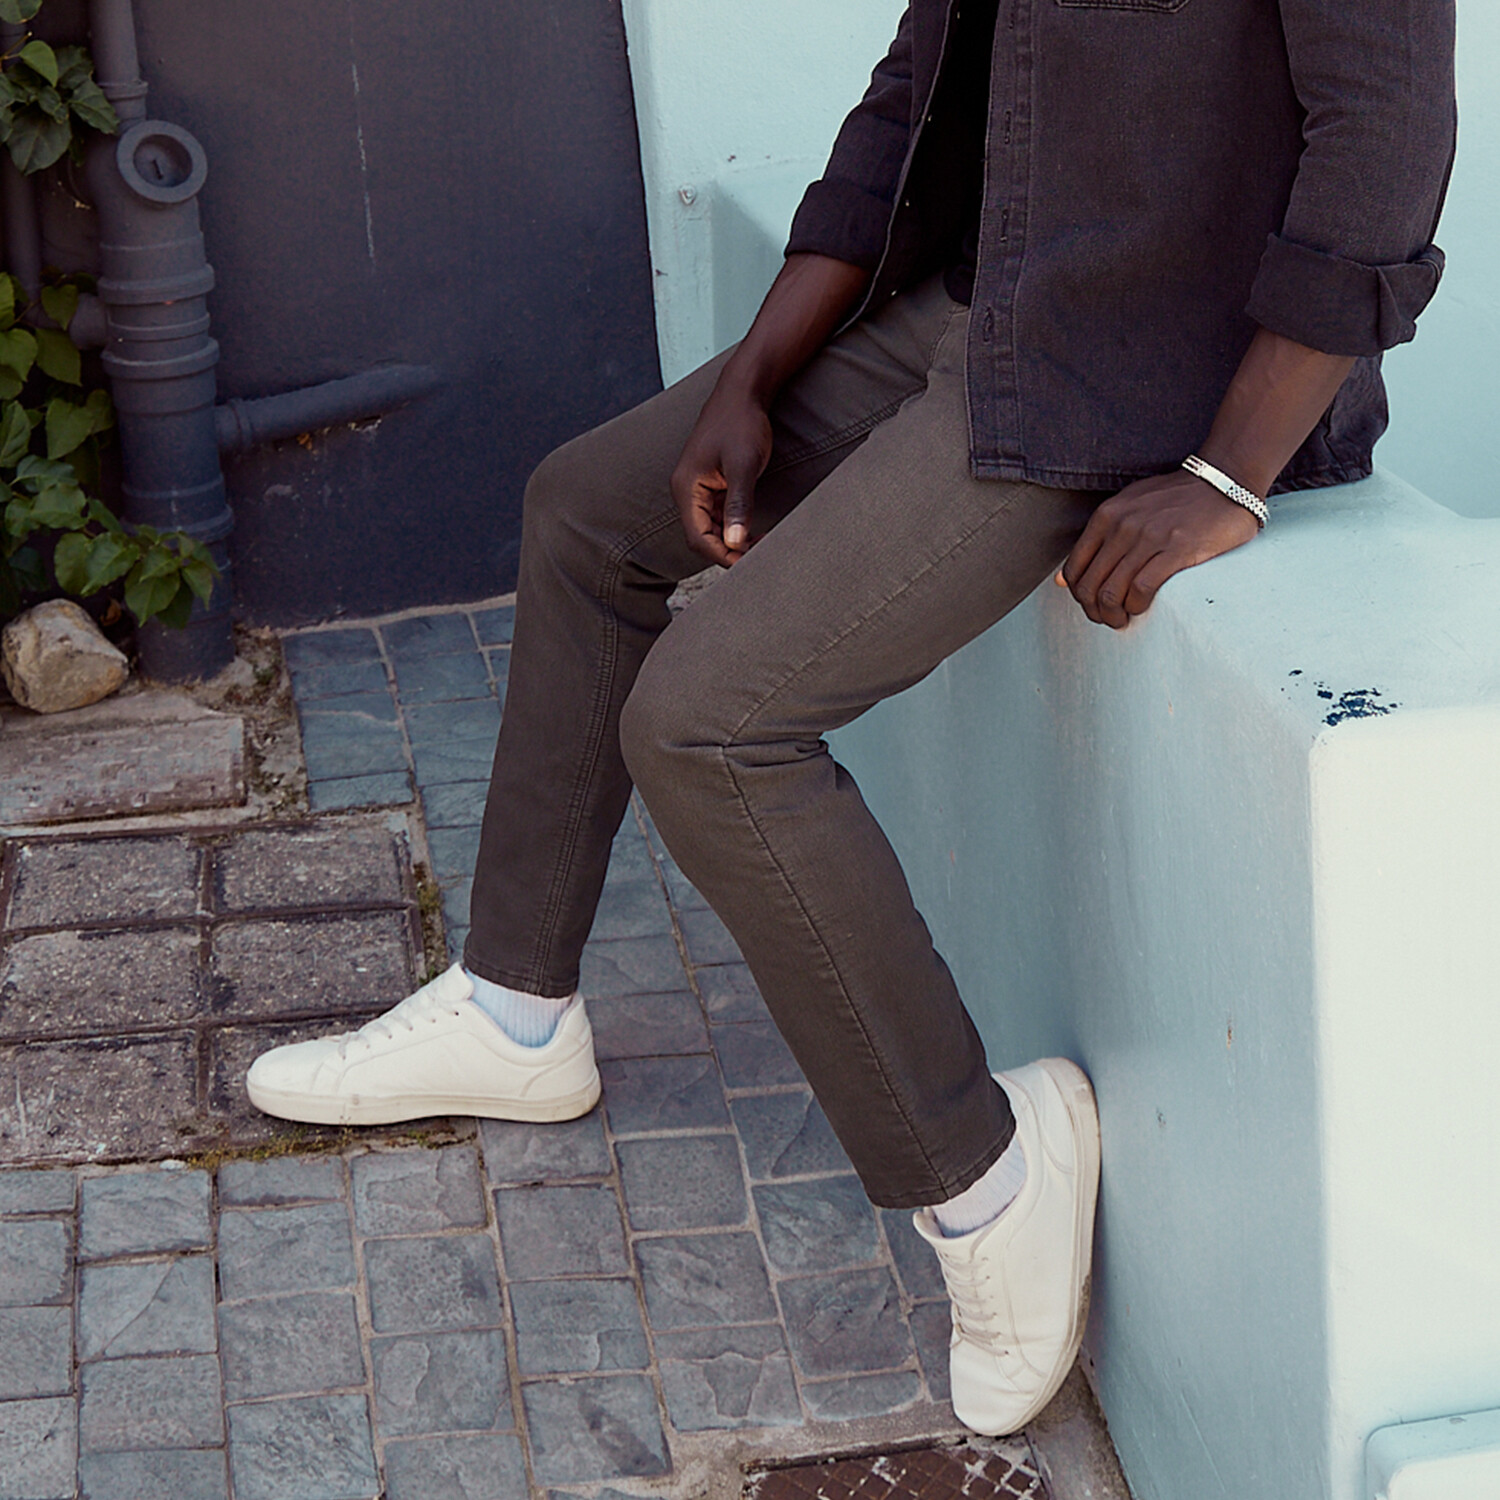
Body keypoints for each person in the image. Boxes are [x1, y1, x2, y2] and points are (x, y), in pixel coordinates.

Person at [246, 0, 1455, 1437]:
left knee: (708, 724)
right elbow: (913, 93)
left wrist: (1229, 474)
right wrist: (753, 375)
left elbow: (1386, 144)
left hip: (1136, 377)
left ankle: (986, 1181)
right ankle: (515, 1012)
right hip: (977, 310)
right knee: (587, 510)